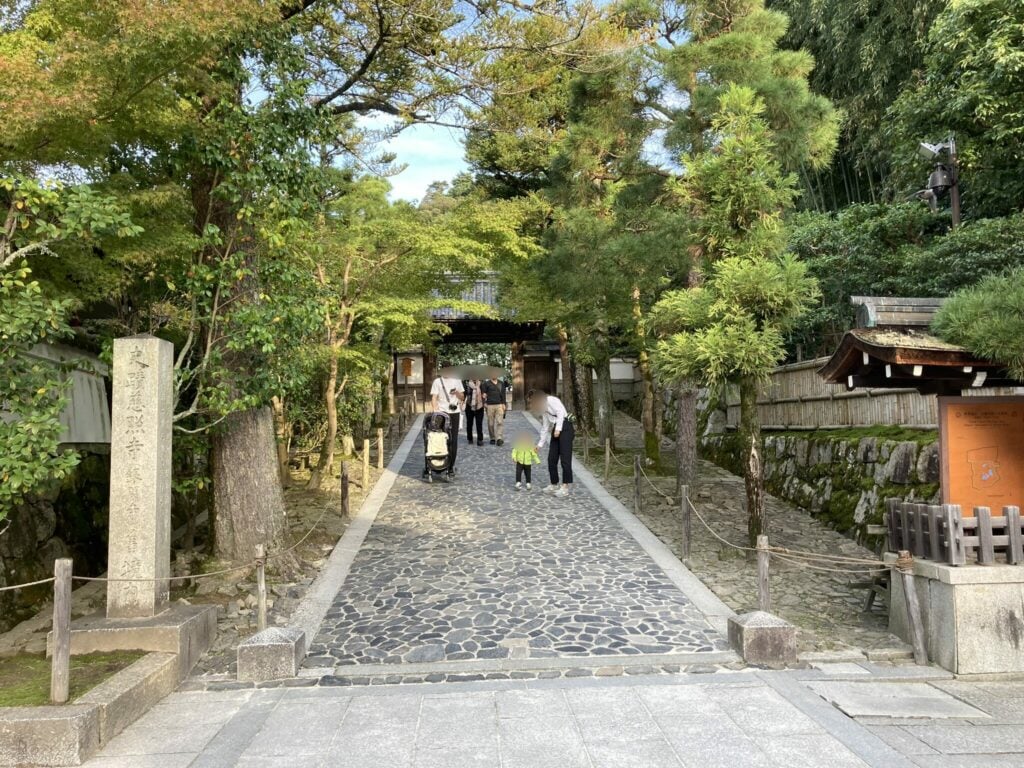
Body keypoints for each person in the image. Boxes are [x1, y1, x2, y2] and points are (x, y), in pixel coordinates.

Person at [529, 388, 574, 497]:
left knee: (565, 459)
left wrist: (558, 429)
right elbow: (545, 427)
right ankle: (554, 484)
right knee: (551, 458)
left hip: (566, 427)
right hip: (556, 429)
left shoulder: (551, 400)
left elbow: (560, 413)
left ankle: (565, 487)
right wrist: (539, 444)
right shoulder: (543, 409)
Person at [430, 371, 465, 472]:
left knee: (453, 440)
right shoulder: (437, 381)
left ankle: (451, 465)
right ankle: (440, 463)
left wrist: (456, 393)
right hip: (441, 413)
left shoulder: (457, 380)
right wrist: (435, 410)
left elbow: (462, 397)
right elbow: (434, 397)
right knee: (441, 438)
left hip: (454, 412)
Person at [480, 375, 507, 445]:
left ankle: (499, 438)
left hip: (499, 405)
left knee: (500, 422)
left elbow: (503, 394)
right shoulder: (486, 384)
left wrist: (504, 403)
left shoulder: (501, 383)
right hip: (489, 405)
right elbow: (483, 395)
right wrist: (484, 403)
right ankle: (492, 437)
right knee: (490, 423)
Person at [464, 378, 485, 446]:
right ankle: (470, 438)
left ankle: (480, 439)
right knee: (469, 424)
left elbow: (484, 393)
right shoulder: (467, 384)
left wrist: (484, 395)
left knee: (479, 424)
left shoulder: (482, 384)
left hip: (479, 406)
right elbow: (464, 395)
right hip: (469, 406)